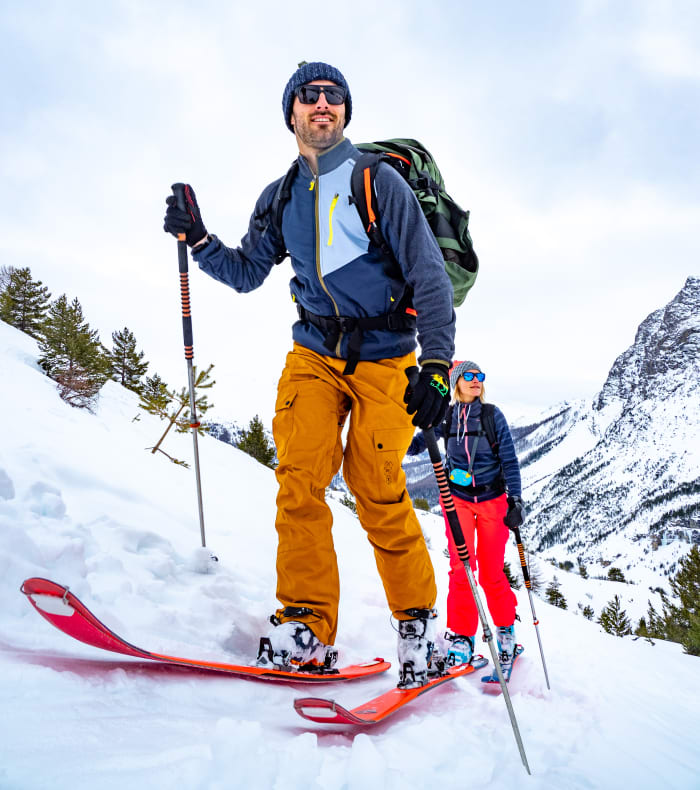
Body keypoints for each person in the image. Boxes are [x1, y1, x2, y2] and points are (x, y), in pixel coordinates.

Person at [163, 62, 457, 688]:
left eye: (333, 97)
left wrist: (435, 365)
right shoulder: (281, 196)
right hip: (315, 356)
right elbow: (246, 272)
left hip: (387, 360)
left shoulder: (378, 182)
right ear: (290, 113)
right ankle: (305, 626)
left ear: (345, 113)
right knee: (300, 479)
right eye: (309, 96)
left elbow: (430, 277)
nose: (321, 105)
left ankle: (419, 628)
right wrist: (198, 238)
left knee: (378, 492)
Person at [406, 360, 524, 676]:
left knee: (489, 574)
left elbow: (509, 460)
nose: (476, 381)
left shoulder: (491, 415)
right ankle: (462, 637)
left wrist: (515, 500)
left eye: (479, 376)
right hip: (456, 500)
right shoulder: (447, 415)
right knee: (461, 569)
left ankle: (505, 631)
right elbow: (419, 443)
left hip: (491, 501)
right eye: (469, 376)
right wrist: (404, 436)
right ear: (456, 382)